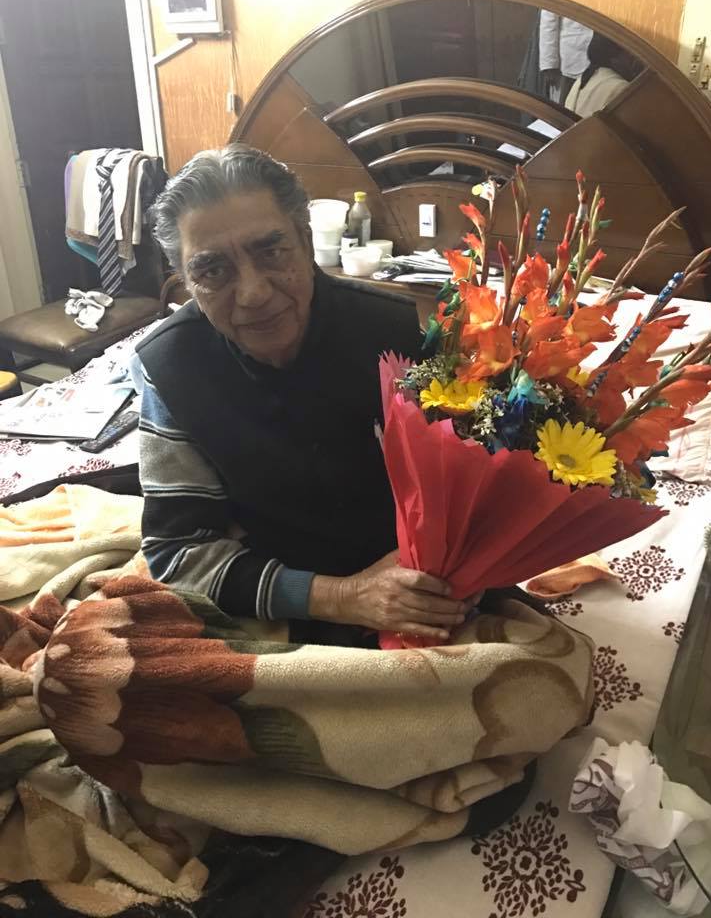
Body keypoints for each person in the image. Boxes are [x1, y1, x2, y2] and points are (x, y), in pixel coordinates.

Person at [135, 144, 477, 645]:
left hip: (420, 581)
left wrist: (451, 565)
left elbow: (468, 485)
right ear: (185, 282)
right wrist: (343, 596)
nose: (252, 293)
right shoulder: (169, 369)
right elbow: (177, 552)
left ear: (305, 239)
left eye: (271, 252)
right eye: (212, 271)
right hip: (273, 597)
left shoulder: (396, 332)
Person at [565, 33, 634, 118]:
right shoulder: (619, 87)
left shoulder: (582, 79)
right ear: (615, 57)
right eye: (628, 52)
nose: (632, 58)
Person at [538, 11, 593, 103]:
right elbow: (548, 20)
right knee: (566, 109)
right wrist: (549, 65)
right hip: (570, 61)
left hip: (606, 59)